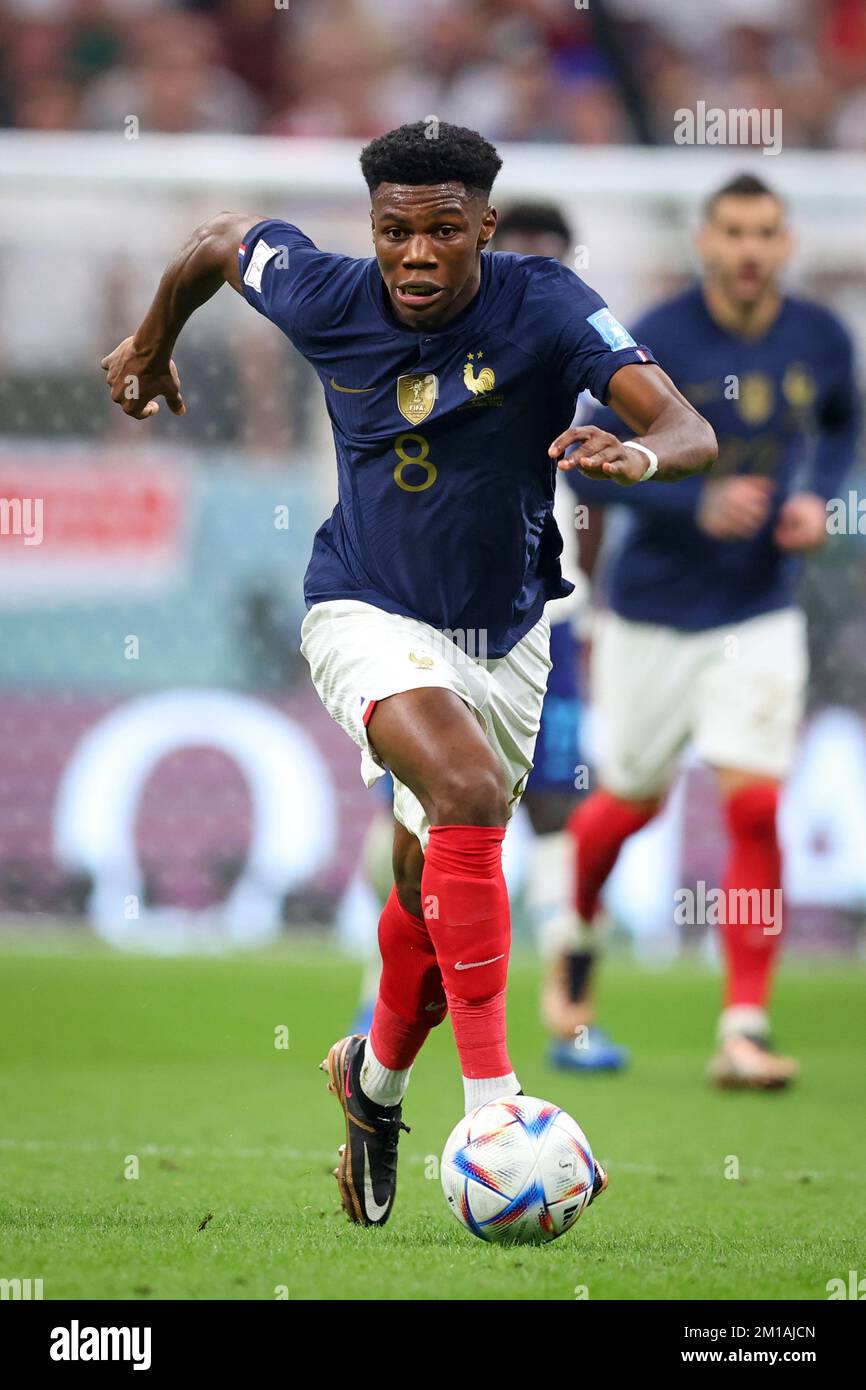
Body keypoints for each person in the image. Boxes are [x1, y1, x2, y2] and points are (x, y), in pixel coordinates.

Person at [101, 121, 716, 1226]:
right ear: (371, 229)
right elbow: (211, 243)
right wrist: (151, 345)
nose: (417, 254)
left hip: (508, 637)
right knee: (469, 795)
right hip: (363, 608)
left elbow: (684, 426)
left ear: (482, 224)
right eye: (394, 232)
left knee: (425, 904)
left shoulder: (545, 304)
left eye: (442, 230)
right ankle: (494, 1111)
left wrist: (634, 453)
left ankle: (371, 1084)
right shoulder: (324, 292)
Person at [564, 174, 860, 1090]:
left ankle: (743, 1027)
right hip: (652, 610)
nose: (748, 249)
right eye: (732, 231)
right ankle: (573, 944)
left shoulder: (821, 335)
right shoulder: (657, 337)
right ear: (704, 241)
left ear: (786, 243)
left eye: (764, 232)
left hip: (760, 607)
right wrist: (696, 501)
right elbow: (582, 464)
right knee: (627, 803)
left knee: (755, 804)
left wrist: (821, 497)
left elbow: (845, 426)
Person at [492, 202, 628, 1072]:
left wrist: (597, 606)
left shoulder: (595, 375)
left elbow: (606, 501)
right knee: (422, 819)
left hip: (557, 626)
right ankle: (379, 994)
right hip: (451, 626)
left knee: (560, 816)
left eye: (553, 261)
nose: (537, 280)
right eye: (520, 260)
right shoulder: (441, 364)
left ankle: (568, 1013)